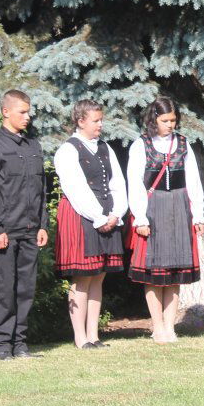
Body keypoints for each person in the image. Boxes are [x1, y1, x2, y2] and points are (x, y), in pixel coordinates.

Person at [126, 96, 204, 343]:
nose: (170, 125)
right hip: (153, 209)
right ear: (154, 119)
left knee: (176, 271)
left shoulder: (183, 144)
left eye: (173, 120)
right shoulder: (141, 145)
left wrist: (199, 215)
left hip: (180, 207)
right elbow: (136, 183)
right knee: (153, 272)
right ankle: (157, 326)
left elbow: (193, 180)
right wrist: (140, 217)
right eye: (165, 120)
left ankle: (170, 326)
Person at [0, 90, 49, 360]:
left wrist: (43, 224)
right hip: (5, 231)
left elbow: (41, 188)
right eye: (22, 112)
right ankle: (2, 345)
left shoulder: (33, 146)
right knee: (3, 289)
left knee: (25, 290)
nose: (27, 117)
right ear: (5, 112)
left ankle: (20, 344)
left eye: (29, 112)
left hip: (30, 230)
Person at [54, 99, 127, 349]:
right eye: (96, 120)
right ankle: (80, 337)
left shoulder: (105, 148)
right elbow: (76, 189)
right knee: (83, 277)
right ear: (81, 121)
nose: (100, 124)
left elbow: (117, 182)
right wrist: (98, 217)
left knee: (99, 277)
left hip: (107, 215)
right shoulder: (68, 150)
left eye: (101, 119)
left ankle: (94, 335)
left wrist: (116, 213)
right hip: (83, 216)